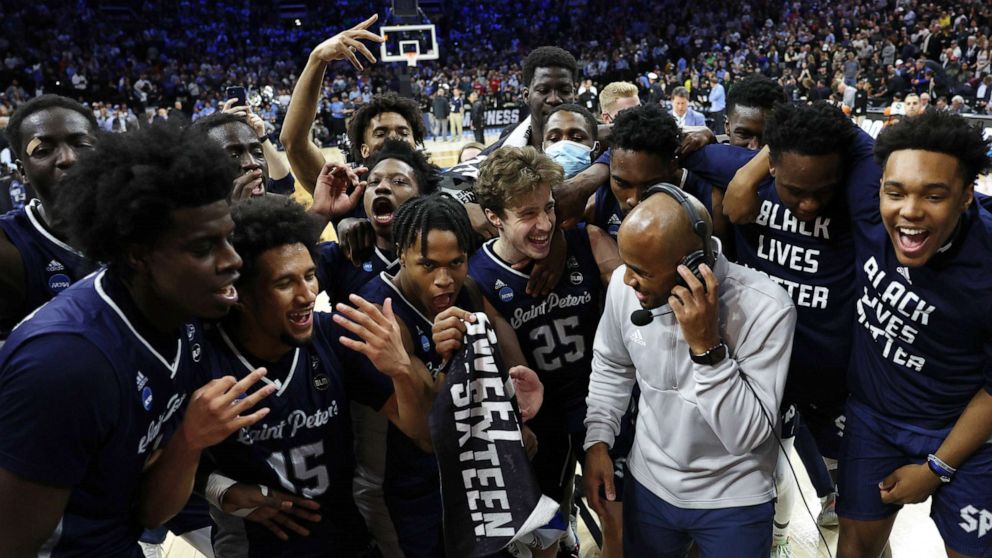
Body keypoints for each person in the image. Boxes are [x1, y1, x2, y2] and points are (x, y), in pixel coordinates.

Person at [0, 124, 271, 556]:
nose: (232, 259)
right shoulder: (65, 364)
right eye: (204, 247)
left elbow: (149, 514)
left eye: (228, 238)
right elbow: (12, 543)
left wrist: (189, 440)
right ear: (138, 254)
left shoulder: (182, 311)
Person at [685, 102, 882, 553]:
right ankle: (775, 542)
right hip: (750, 371)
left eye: (822, 192)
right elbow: (649, 146)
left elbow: (849, 129)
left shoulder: (860, 183)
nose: (809, 205)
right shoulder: (730, 162)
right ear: (774, 164)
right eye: (794, 191)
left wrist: (748, 175)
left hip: (832, 381)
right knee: (723, 497)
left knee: (862, 517)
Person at [199, 195, 431, 557]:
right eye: (284, 283)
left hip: (346, 540)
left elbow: (424, 435)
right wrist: (219, 489)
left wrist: (401, 369)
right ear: (240, 294)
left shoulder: (333, 335)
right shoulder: (203, 356)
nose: (308, 294)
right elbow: (150, 465)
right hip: (253, 547)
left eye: (310, 276)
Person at [583, 188, 796, 557]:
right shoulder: (624, 285)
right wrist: (598, 439)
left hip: (734, 497)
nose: (627, 280)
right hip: (648, 484)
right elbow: (612, 364)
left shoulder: (767, 308)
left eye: (643, 272)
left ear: (694, 267)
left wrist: (707, 349)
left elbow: (745, 435)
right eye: (627, 264)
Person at [838, 111, 992, 558]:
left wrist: (936, 468)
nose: (909, 211)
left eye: (934, 195)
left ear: (966, 196)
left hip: (966, 431)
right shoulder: (868, 201)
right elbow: (819, 119)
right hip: (873, 417)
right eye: (896, 192)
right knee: (854, 550)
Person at [469, 146, 621, 553]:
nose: (544, 224)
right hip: (543, 418)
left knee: (616, 516)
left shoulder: (584, 240)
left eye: (548, 208)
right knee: (546, 532)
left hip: (603, 402)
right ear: (495, 217)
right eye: (528, 214)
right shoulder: (477, 276)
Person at [0, 95, 99, 339]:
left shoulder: (141, 225)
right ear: (22, 171)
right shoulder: (9, 245)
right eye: (43, 150)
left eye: (82, 145)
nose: (68, 158)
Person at [279, 15, 387, 193]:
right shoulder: (345, 193)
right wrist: (317, 59)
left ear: (416, 143)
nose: (394, 137)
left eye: (403, 132)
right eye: (381, 132)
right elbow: (293, 143)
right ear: (364, 150)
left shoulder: (437, 185)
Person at [724, 74, 788, 150]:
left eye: (767, 138)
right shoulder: (710, 158)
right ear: (727, 127)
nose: (754, 147)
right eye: (744, 135)